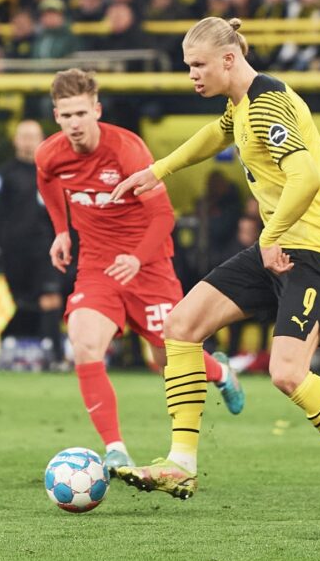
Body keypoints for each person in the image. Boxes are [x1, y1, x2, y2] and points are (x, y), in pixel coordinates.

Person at [107, 18, 320, 513]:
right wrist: (155, 171)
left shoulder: (267, 105)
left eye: (197, 66)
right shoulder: (240, 104)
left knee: (287, 374)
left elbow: (306, 176)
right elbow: (213, 135)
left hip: (316, 252)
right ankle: (181, 463)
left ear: (228, 59)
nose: (191, 76)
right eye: (187, 67)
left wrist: (269, 235)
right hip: (278, 245)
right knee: (180, 326)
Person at [34, 68, 244, 476]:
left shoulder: (126, 150)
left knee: (165, 359)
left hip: (148, 267)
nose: (74, 124)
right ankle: (115, 450)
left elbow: (164, 216)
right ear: (56, 116)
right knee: (84, 343)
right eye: (66, 116)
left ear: (97, 110)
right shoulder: (50, 154)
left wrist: (136, 257)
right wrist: (61, 231)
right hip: (96, 267)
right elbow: (46, 182)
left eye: (81, 113)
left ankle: (219, 370)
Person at [0, 120, 65, 366]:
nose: (28, 142)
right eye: (23, 136)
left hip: (44, 248)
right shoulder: (3, 174)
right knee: (4, 303)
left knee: (50, 296)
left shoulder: (52, 173)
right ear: (15, 140)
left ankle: (56, 355)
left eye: (33, 136)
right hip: (11, 250)